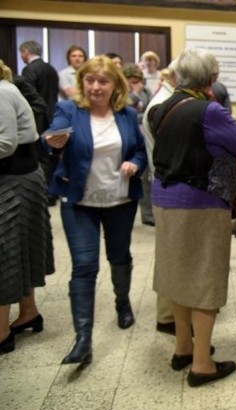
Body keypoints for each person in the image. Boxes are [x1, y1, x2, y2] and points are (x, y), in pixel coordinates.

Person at [150, 48, 236, 387]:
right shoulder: (210, 111)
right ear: (212, 79)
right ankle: (201, 365)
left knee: (179, 277)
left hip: (164, 199)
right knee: (205, 281)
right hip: (201, 202)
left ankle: (183, 347)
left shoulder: (160, 108)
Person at [44, 55, 148, 365]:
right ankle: (83, 339)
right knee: (84, 266)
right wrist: (55, 141)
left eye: (103, 81)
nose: (95, 86)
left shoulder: (127, 114)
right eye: (90, 80)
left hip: (119, 201)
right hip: (80, 203)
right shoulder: (69, 110)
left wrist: (135, 164)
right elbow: (52, 135)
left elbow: (140, 151)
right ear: (81, 83)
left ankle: (122, 303)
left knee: (119, 256)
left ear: (115, 84)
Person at [0, 60, 54, 355]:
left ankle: (2, 333)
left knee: (6, 253)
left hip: (15, 179)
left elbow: (6, 143)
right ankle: (29, 311)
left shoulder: (1, 92)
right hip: (19, 177)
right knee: (18, 250)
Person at [141, 61, 179, 335]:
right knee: (171, 254)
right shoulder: (165, 103)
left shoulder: (163, 99)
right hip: (169, 185)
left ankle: (169, 313)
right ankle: (167, 316)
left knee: (170, 253)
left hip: (165, 183)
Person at [20, 40, 60, 206]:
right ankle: (52, 192)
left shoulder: (29, 70)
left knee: (39, 157)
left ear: (26, 51)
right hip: (53, 116)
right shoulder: (51, 69)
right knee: (51, 156)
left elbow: (28, 98)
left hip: (37, 119)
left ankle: (41, 193)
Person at [122, 63, 154, 227]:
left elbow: (151, 111)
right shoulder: (122, 93)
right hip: (130, 137)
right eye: (132, 81)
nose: (136, 83)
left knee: (147, 177)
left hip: (146, 136)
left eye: (138, 80)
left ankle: (148, 214)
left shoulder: (147, 91)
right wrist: (135, 94)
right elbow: (127, 113)